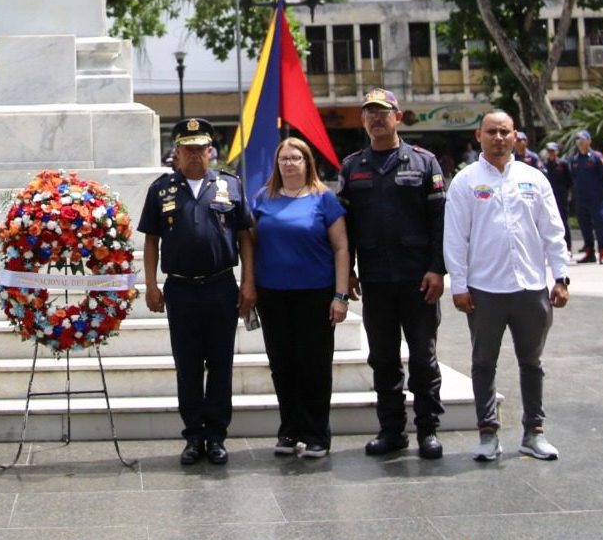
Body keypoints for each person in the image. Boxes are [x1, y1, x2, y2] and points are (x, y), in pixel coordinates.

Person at [444, 111, 570, 462]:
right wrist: (458, 284)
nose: (498, 138)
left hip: (531, 286)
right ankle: (488, 433)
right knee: (484, 362)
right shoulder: (465, 181)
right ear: (478, 135)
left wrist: (560, 277)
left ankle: (534, 432)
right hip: (484, 289)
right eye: (491, 132)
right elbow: (455, 237)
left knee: (531, 361)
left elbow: (553, 231)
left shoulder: (534, 179)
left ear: (515, 135)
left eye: (504, 132)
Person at [336, 88, 447, 460]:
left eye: (383, 112)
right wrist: (348, 270)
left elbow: (439, 222)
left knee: (422, 358)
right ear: (364, 121)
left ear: (398, 117)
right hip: (376, 281)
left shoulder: (424, 162)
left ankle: (428, 430)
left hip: (418, 280)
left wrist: (437, 268)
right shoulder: (352, 166)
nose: (376, 119)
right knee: (383, 359)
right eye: (369, 113)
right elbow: (344, 225)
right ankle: (392, 430)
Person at [139, 117, 254, 465]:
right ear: (176, 152)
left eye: (200, 149)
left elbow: (246, 236)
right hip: (181, 290)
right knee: (187, 365)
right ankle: (193, 436)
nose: (193, 155)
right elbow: (151, 241)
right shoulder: (161, 189)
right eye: (186, 149)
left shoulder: (230, 186)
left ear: (210, 152)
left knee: (221, 364)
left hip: (221, 286)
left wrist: (249, 281)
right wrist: (150, 284)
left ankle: (216, 436)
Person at [251, 137, 350, 459]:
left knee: (315, 365)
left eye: (296, 158)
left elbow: (341, 248)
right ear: (277, 164)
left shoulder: (324, 199)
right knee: (282, 365)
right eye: (284, 159)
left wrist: (340, 295)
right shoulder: (262, 199)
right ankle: (290, 430)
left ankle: (317, 433)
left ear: (308, 162)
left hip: (316, 294)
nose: (290, 163)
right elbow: (249, 246)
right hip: (273, 294)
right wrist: (248, 286)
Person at [567, 130, 603, 263]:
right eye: (578, 140)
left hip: (596, 198)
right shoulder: (574, 159)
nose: (580, 142)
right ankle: (589, 253)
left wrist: (601, 191)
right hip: (581, 199)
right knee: (585, 226)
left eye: (583, 139)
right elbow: (573, 177)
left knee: (599, 226)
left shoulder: (597, 157)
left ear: (589, 141)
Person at [542, 142, 573, 253]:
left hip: (561, 197)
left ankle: (568, 248)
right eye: (549, 151)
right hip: (548, 197)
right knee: (548, 222)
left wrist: (568, 194)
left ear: (557, 152)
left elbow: (570, 181)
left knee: (563, 222)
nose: (551, 153)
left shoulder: (563, 164)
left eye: (553, 151)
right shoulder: (544, 165)